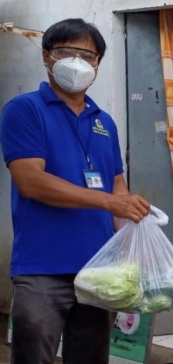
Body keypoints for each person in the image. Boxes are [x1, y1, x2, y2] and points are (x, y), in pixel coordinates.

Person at [0, 18, 150, 364]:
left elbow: (117, 187)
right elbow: (30, 180)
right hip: (42, 269)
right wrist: (109, 201)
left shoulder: (104, 121)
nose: (79, 63)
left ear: (98, 64)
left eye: (89, 56)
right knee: (33, 357)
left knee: (90, 358)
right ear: (46, 56)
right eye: (68, 52)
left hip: (99, 272)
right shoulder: (24, 110)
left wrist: (132, 244)